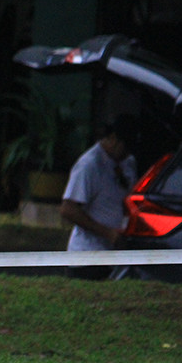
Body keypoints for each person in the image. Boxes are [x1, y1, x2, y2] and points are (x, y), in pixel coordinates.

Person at [59, 114, 140, 281]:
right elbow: (68, 209)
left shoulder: (128, 162)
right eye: (124, 147)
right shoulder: (89, 165)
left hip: (115, 258)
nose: (126, 154)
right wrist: (108, 234)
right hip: (87, 258)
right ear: (112, 139)